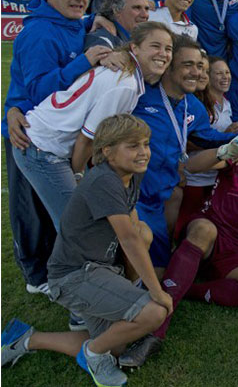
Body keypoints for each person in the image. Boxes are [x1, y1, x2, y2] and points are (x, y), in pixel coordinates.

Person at [1, 114, 172, 387]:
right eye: (133, 146)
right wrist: (155, 290)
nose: (143, 152)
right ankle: (93, 355)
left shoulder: (131, 174)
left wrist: (127, 285)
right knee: (153, 312)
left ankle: (26, 339)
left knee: (115, 344)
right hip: (74, 276)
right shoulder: (103, 181)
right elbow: (127, 239)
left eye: (146, 144)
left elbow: (134, 226)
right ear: (107, 151)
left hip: (100, 268)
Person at [119, 115, 238, 368]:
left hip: (236, 248)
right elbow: (192, 166)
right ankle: (156, 332)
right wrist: (227, 150)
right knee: (204, 230)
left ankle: (183, 287)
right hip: (209, 229)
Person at [4, 0, 112, 295]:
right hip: (29, 134)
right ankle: (39, 277)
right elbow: (39, 91)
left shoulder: (75, 23)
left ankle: (53, 269)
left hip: (53, 132)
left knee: (54, 208)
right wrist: (85, 60)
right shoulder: (39, 33)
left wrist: (97, 23)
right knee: (33, 210)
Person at [13, 22, 173, 230]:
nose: (163, 53)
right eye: (155, 46)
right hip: (43, 148)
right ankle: (68, 263)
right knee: (76, 227)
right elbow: (87, 139)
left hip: (46, 143)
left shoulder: (127, 75)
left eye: (168, 49)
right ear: (134, 48)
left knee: (80, 222)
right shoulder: (124, 84)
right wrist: (79, 177)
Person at [131, 36, 238, 272]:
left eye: (200, 66)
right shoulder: (138, 92)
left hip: (160, 196)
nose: (197, 72)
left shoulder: (192, 104)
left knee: (159, 268)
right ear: (168, 67)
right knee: (137, 263)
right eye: (188, 65)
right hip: (131, 193)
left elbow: (205, 137)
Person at [176, 56, 238, 230]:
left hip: (215, 177)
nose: (225, 77)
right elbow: (186, 141)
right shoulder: (196, 104)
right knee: (183, 225)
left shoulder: (227, 104)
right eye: (218, 73)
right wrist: (225, 136)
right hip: (195, 177)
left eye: (227, 72)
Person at [85, 0, 150, 50]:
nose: (144, 15)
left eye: (147, 9)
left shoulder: (142, 40)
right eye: (137, 8)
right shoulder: (101, 41)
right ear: (116, 10)